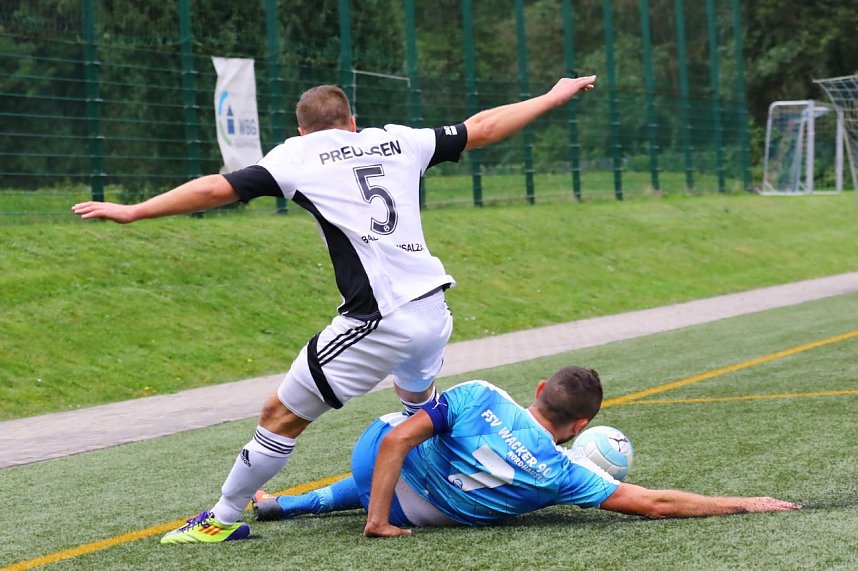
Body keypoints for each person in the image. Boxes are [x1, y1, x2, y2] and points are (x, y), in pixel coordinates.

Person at [71, 76, 600, 544]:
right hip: (433, 311)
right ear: (353, 122)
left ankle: (225, 516)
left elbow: (217, 188)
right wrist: (553, 95)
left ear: (303, 130)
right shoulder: (394, 139)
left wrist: (135, 210)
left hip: (379, 319)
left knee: (279, 416)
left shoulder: (296, 156)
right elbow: (481, 126)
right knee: (419, 407)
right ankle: (468, 474)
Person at [251, 366, 800, 537]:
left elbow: (396, 440)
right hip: (429, 512)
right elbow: (654, 502)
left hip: (377, 464)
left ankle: (289, 504)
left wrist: (376, 516)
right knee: (432, 470)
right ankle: (335, 507)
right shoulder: (564, 475)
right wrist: (743, 502)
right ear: (582, 425)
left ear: (539, 390)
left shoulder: (482, 396)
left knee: (414, 430)